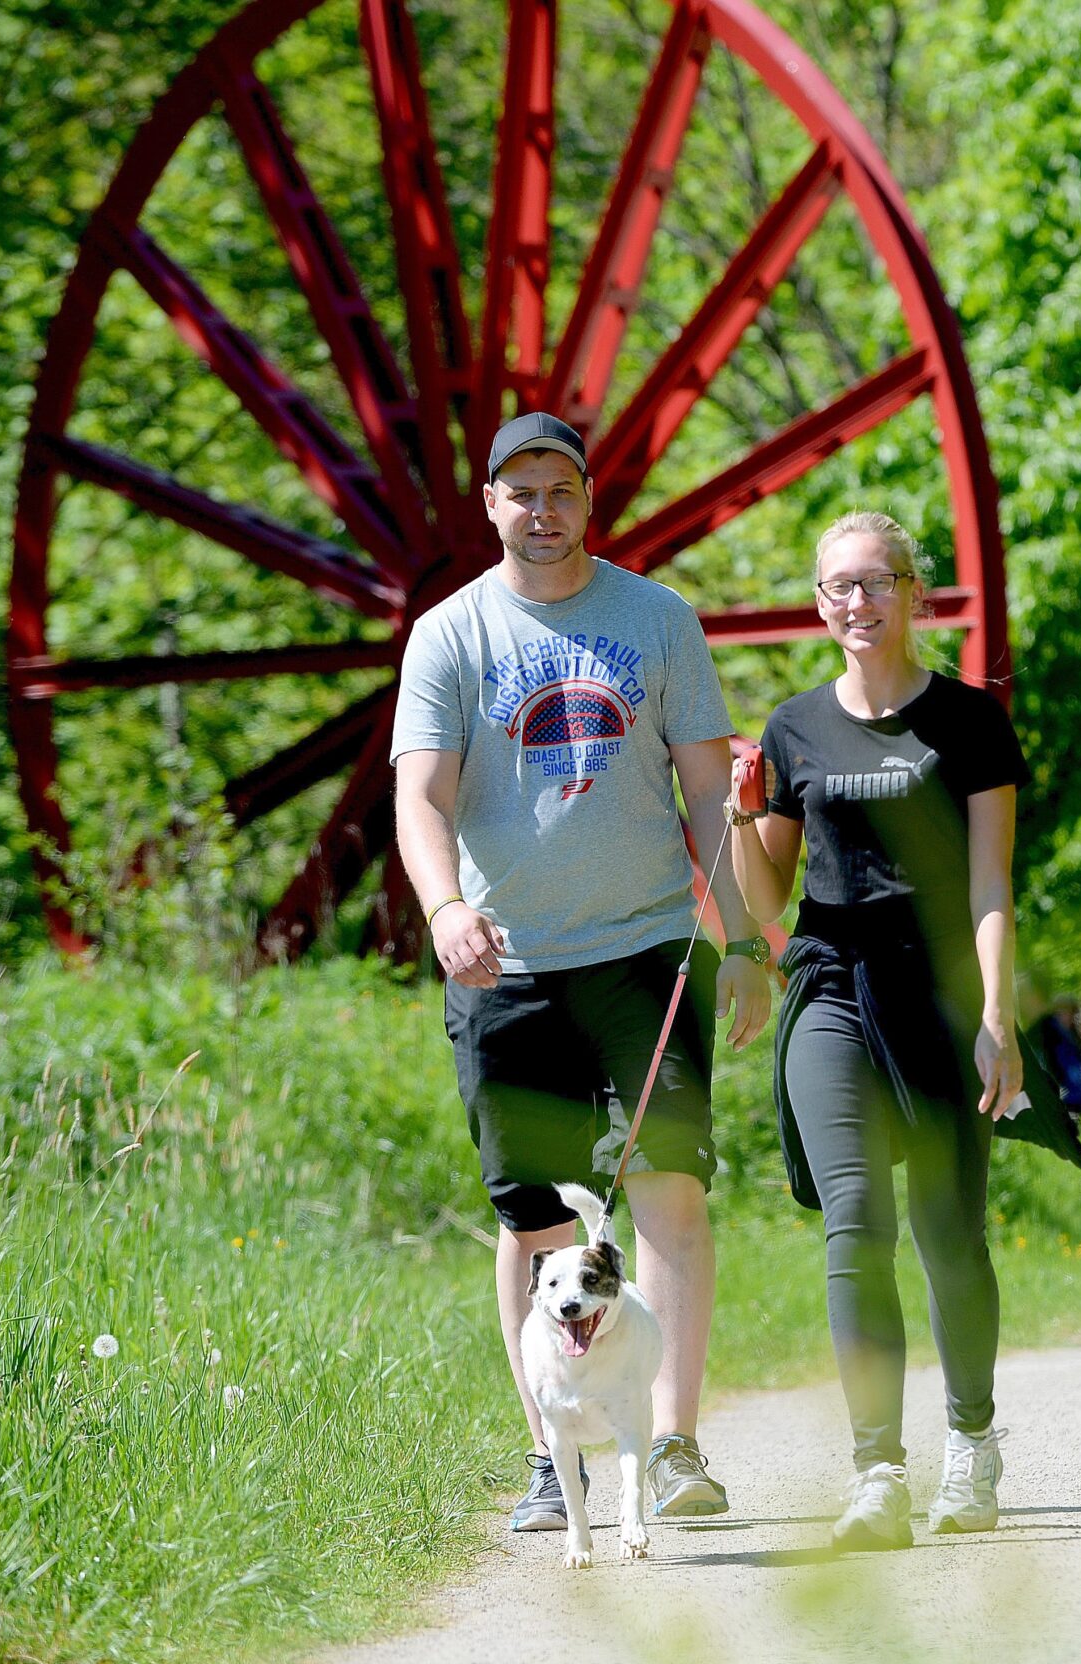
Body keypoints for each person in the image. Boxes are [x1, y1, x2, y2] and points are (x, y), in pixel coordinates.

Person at [391, 413, 776, 1536]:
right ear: (492, 504)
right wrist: (444, 906)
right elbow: (420, 797)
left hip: (648, 950)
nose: (543, 511)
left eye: (561, 490)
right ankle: (550, 1464)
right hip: (507, 965)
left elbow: (709, 789)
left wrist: (745, 939)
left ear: (587, 497)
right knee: (534, 1227)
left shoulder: (656, 620)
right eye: (522, 493)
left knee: (671, 1200)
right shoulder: (450, 635)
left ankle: (672, 1446)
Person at [727, 511, 1029, 1550]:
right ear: (820, 606)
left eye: (876, 583)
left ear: (914, 593)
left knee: (948, 1231)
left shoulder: (969, 723)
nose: (857, 603)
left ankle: (971, 1445)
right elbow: (768, 894)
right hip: (831, 986)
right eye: (838, 588)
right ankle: (876, 1475)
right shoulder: (794, 727)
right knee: (855, 1220)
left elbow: (992, 882)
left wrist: (996, 1009)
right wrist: (736, 813)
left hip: (943, 993)